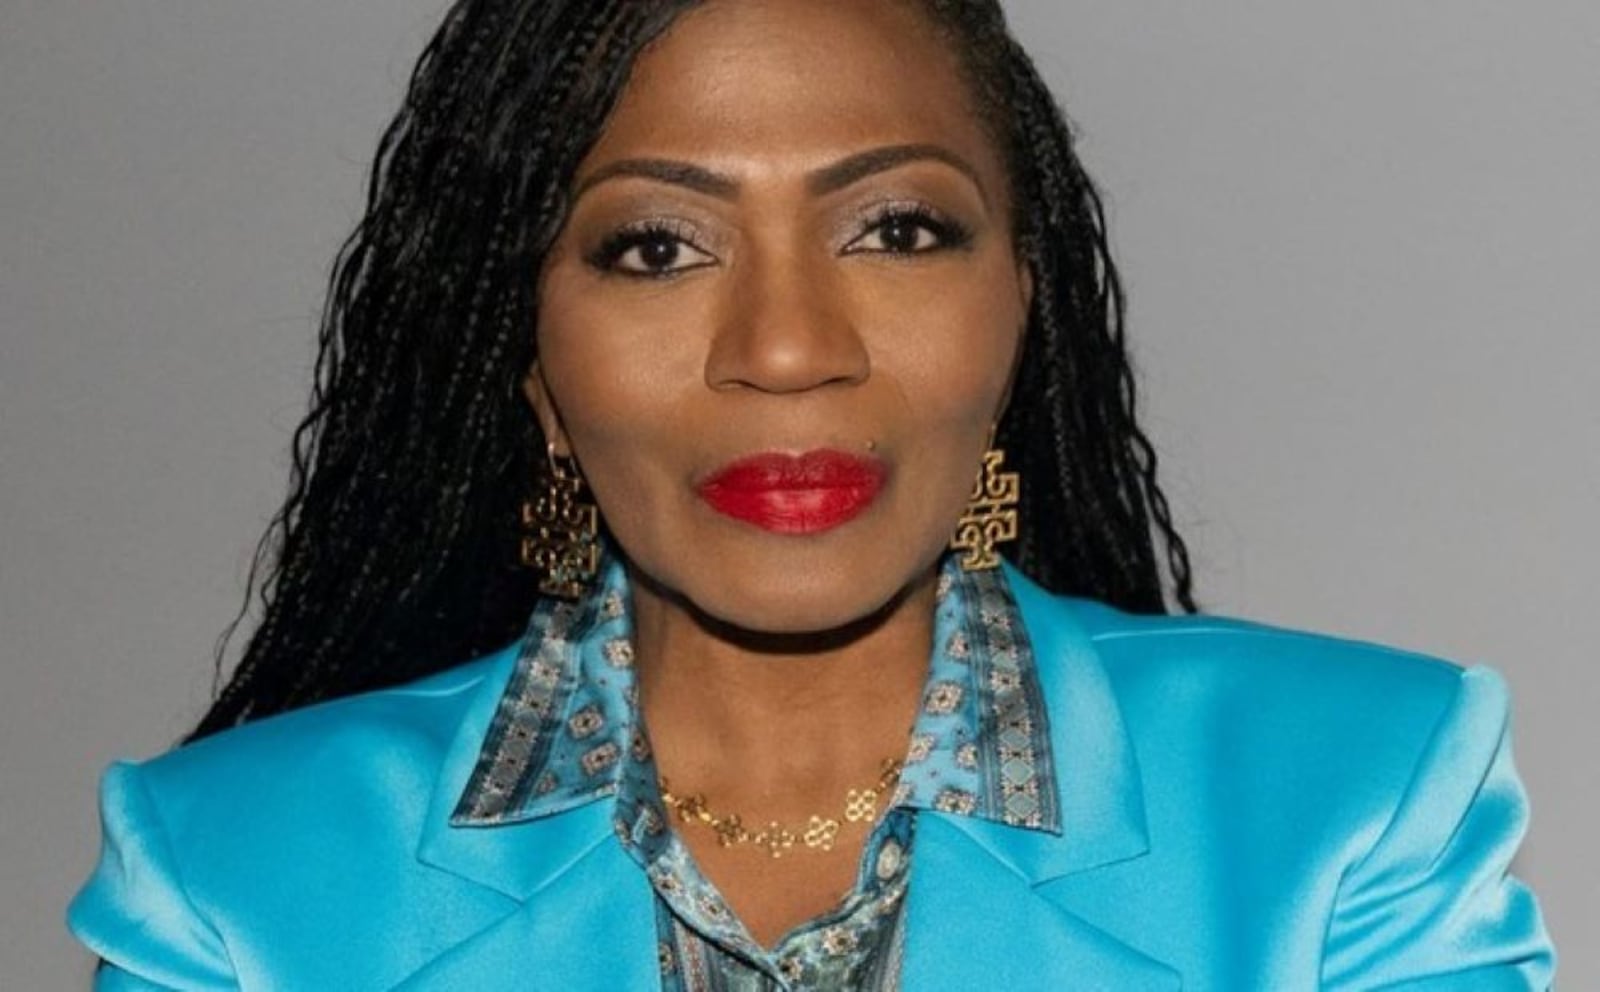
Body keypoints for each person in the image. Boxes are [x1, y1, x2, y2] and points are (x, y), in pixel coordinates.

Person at [66, 0, 1555, 988]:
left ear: (1021, 310)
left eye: (896, 230)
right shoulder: (231, 885)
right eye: (656, 248)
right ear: (528, 360)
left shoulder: (1359, 807)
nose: (787, 350)